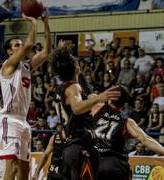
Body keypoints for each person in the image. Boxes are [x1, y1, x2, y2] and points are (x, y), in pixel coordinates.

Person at [48, 45, 121, 179]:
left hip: (70, 146)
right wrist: (100, 97)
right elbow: (77, 108)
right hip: (80, 146)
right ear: (75, 67)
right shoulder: (73, 87)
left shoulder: (61, 88)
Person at [0, 12, 51, 180]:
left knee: (24, 171)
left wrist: (45, 23)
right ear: (9, 51)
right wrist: (34, 23)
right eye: (16, 45)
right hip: (9, 120)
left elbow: (47, 52)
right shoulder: (8, 65)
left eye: (20, 44)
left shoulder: (26, 66)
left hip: (23, 122)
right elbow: (29, 45)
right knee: (11, 169)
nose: (21, 46)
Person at [90, 86, 164, 180]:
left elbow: (90, 95)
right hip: (115, 165)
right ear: (125, 102)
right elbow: (145, 139)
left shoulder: (97, 107)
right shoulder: (127, 121)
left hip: (95, 163)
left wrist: (102, 97)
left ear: (110, 98)